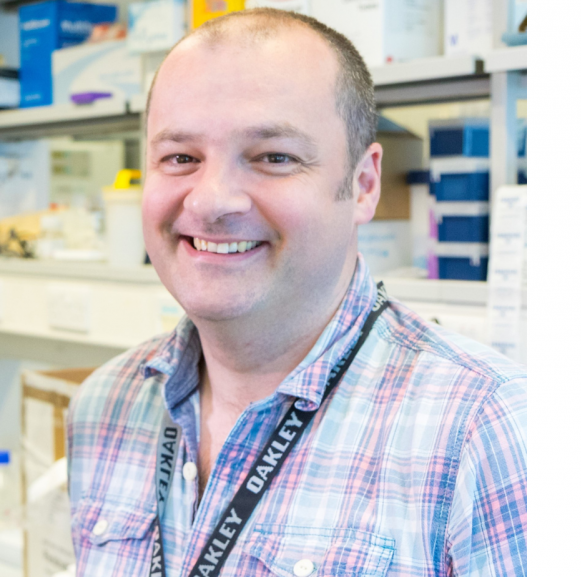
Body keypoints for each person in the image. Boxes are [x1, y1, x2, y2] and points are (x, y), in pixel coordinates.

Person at [65, 9, 526, 577]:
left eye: (273, 158)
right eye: (180, 158)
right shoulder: (103, 406)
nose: (211, 201)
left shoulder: (485, 429)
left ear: (363, 184)